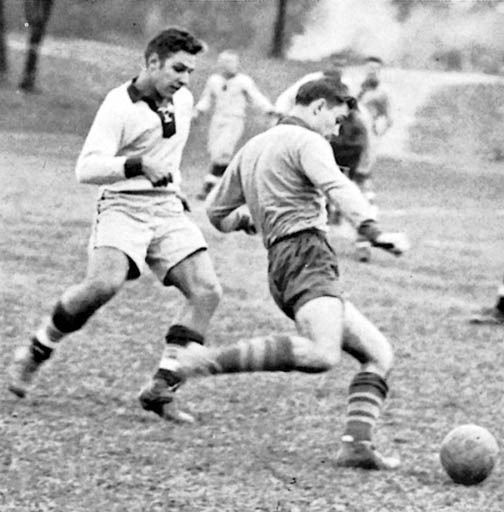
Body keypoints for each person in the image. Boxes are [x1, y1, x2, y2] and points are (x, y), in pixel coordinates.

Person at [173, 79, 409, 469]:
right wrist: (372, 230)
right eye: (335, 120)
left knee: (378, 353)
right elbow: (337, 186)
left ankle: (356, 444)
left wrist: (247, 219)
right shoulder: (307, 142)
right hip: (306, 255)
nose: (336, 131)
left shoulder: (254, 146)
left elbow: (216, 212)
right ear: (317, 107)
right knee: (321, 353)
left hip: (282, 263)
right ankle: (206, 359)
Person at [8, 28, 223, 424]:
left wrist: (174, 188)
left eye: (190, 71)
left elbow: (168, 156)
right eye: (178, 68)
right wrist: (138, 165)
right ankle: (37, 351)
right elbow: (86, 168)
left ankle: (163, 386)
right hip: (123, 206)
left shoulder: (185, 99)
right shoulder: (118, 105)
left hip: (167, 210)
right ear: (152, 62)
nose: (185, 79)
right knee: (102, 286)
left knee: (207, 291)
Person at [275, 66, 377, 262]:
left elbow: (366, 132)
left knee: (350, 192)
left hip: (349, 154)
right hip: (331, 152)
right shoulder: (316, 106)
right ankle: (329, 230)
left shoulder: (349, 105)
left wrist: (365, 165)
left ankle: (363, 239)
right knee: (327, 192)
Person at [193, 50, 276, 200]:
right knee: (215, 151)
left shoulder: (243, 81)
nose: (230, 66)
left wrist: (268, 109)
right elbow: (207, 98)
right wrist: (198, 111)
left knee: (223, 152)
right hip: (218, 119)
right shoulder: (214, 80)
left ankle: (210, 187)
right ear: (220, 64)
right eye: (226, 62)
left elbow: (256, 97)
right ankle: (227, 187)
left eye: (232, 62)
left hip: (234, 119)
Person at [19, 0, 55, 93]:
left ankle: (28, 80)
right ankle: (27, 81)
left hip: (36, 18)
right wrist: (36, 18)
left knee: (34, 47)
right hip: (37, 19)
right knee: (33, 48)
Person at [357, 56, 393, 137]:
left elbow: (388, 118)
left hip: (370, 129)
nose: (372, 71)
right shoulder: (356, 87)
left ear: (379, 71)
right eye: (370, 68)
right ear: (364, 68)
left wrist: (378, 133)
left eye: (376, 69)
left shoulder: (382, 92)